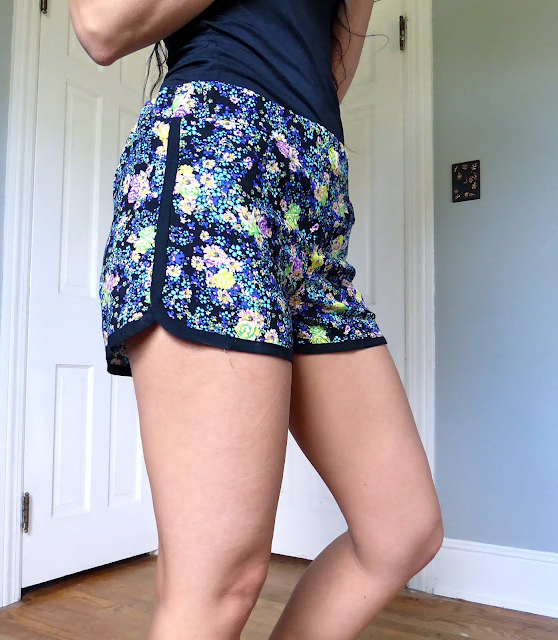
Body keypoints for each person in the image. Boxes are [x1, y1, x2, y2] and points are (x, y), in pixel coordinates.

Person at [69, 1, 444, 638]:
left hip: (313, 202)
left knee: (401, 529)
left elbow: (327, 73)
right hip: (216, 169)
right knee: (217, 582)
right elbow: (101, 25)